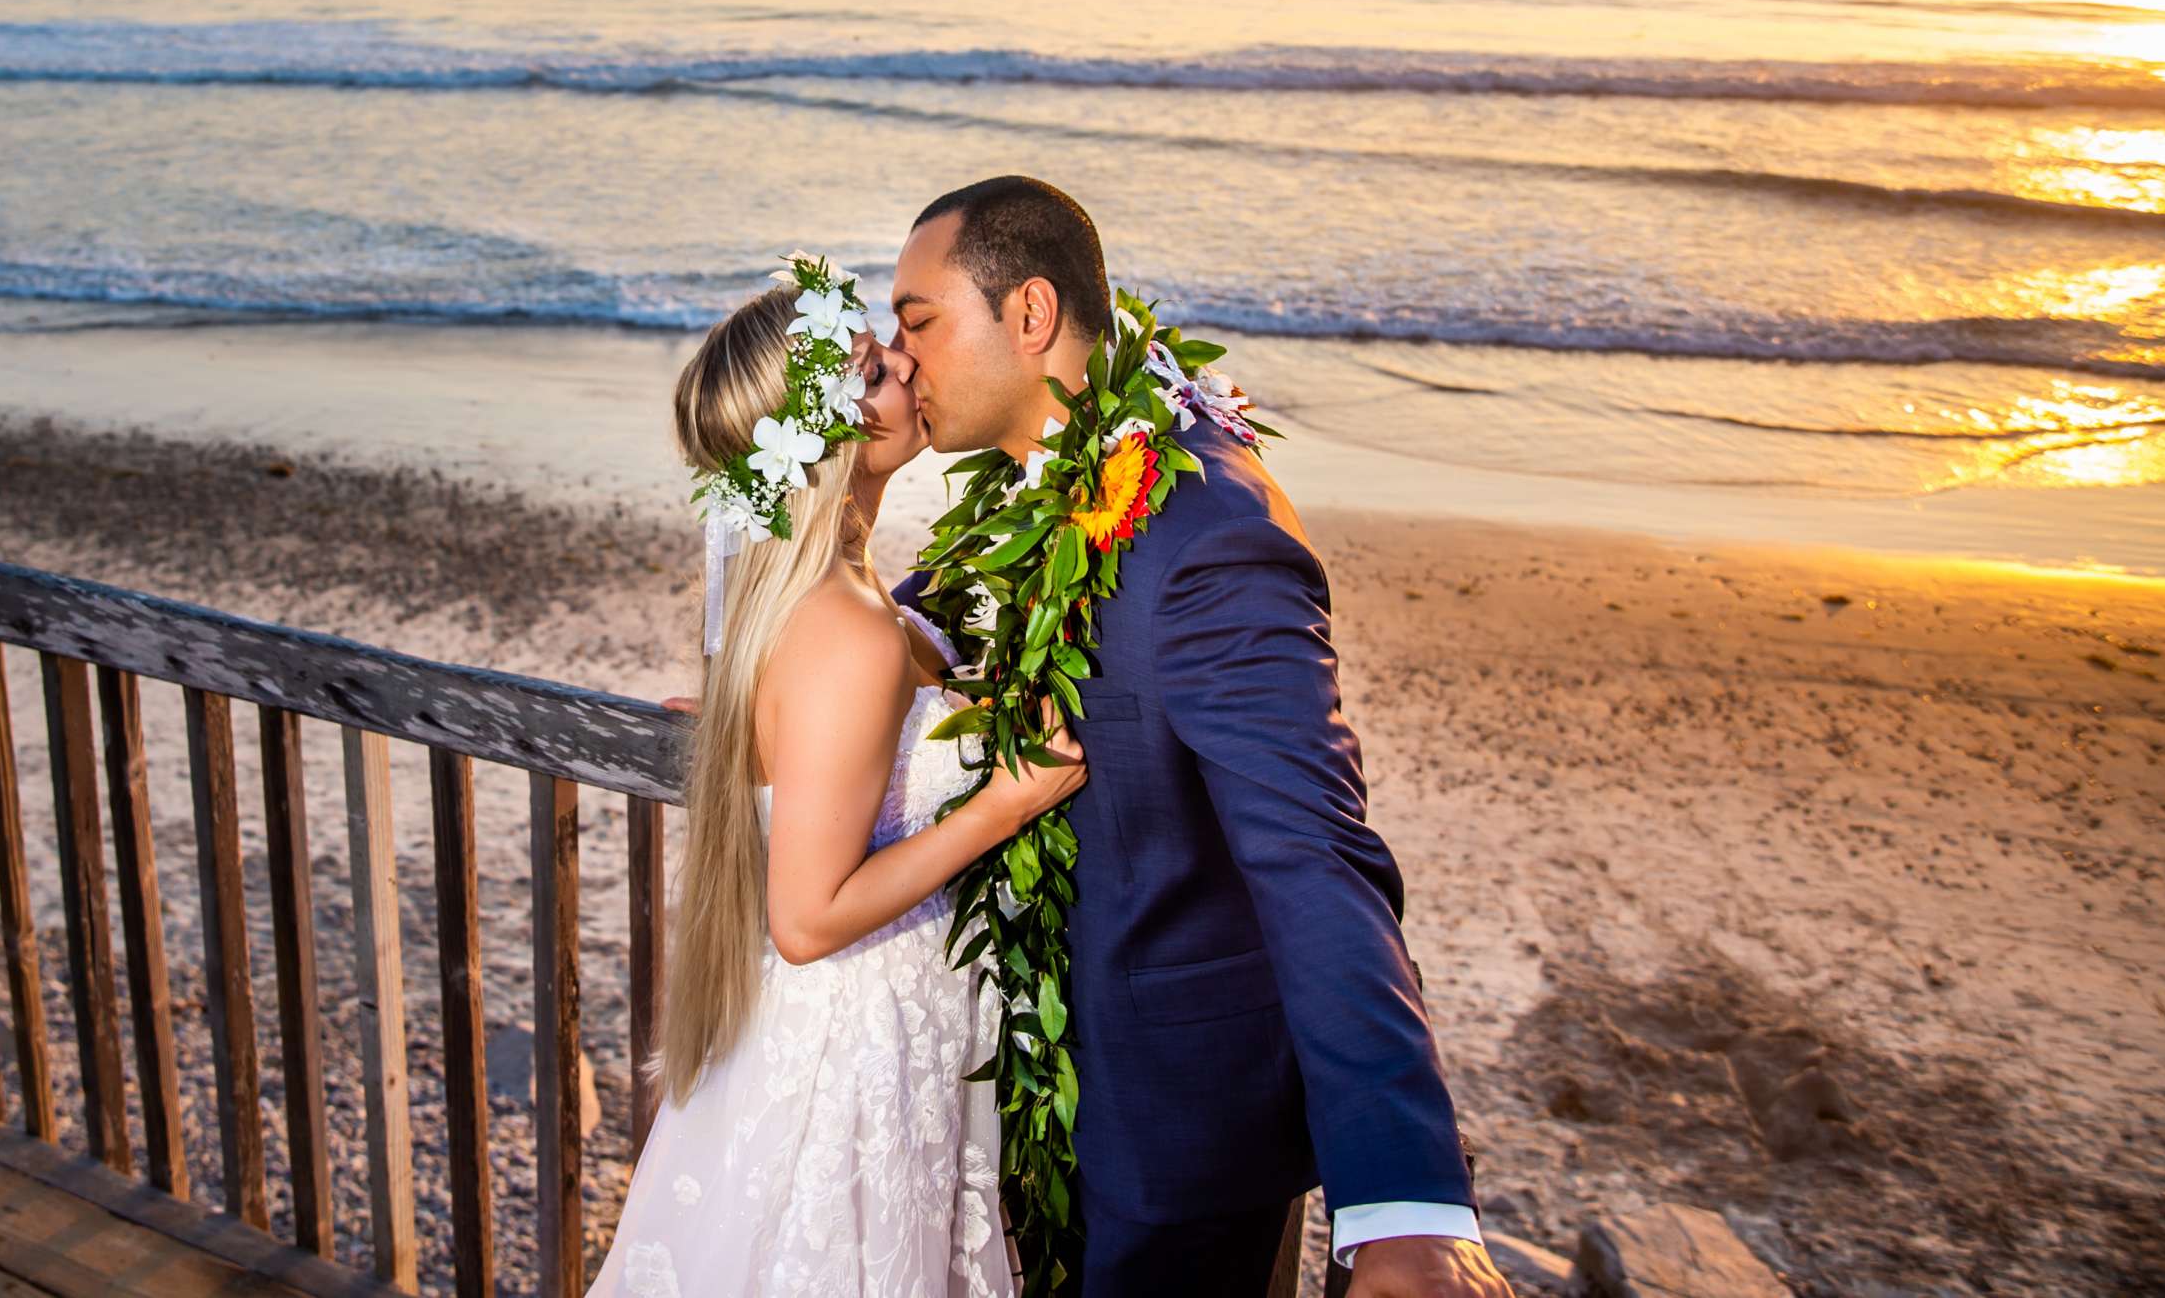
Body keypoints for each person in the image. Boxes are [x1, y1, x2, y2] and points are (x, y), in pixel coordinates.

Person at [888, 178, 1513, 1298]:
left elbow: (1315, 854)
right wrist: (769, 697)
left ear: (1028, 318)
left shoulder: (1209, 533)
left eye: (919, 322)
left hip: (1170, 1131)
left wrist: (1406, 1205)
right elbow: (930, 609)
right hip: (1041, 1087)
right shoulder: (1038, 481)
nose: (898, 359)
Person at [586, 261, 1086, 1297]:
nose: (906, 362)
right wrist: (1007, 801)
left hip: (843, 1021)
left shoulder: (811, 588)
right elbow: (807, 920)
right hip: (849, 1039)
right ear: (825, 437)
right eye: (873, 365)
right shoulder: (843, 627)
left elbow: (800, 728)